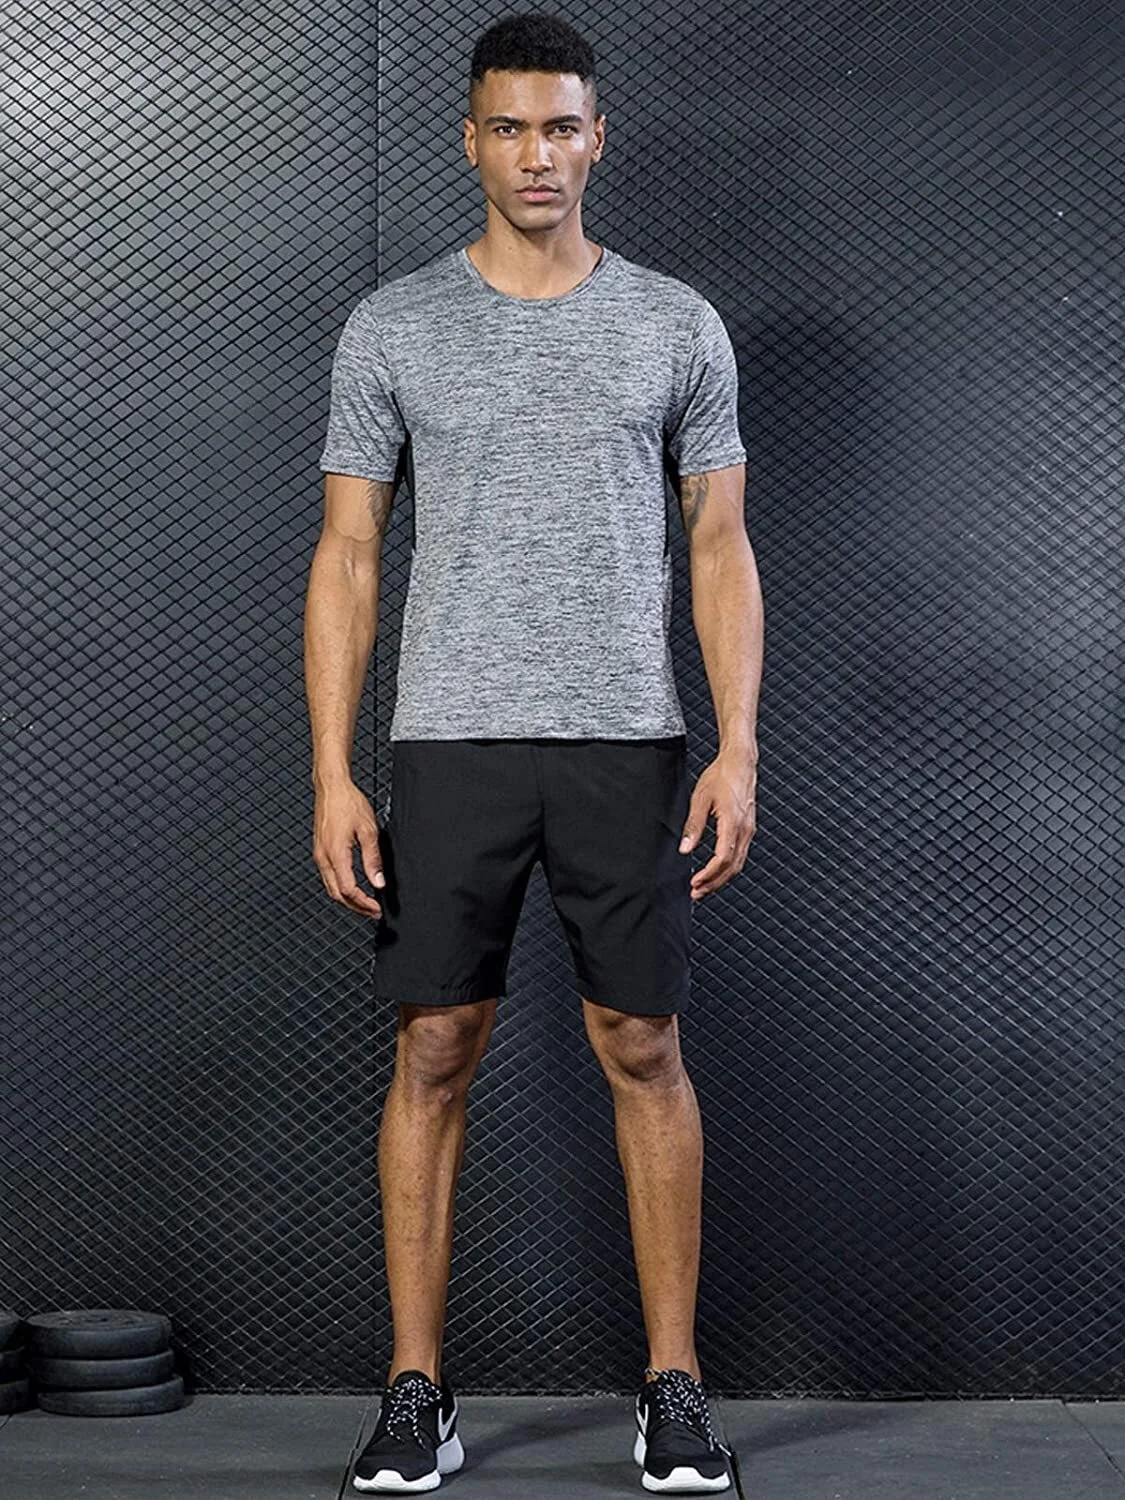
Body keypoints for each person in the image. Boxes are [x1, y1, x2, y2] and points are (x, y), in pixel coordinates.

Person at [305, 10, 763, 1494]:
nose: (536, 155)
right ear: (471, 142)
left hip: (629, 739)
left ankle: (674, 1388)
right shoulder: (394, 326)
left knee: (644, 1046)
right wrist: (333, 771)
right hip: (450, 741)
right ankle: (416, 1392)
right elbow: (348, 556)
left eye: (561, 126)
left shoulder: (676, 324)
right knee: (434, 1048)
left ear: (597, 138)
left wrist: (738, 744)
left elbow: (719, 545)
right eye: (508, 128)